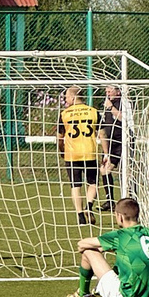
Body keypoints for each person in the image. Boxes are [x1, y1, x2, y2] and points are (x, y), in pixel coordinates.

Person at [70, 195, 149, 297]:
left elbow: (81, 244)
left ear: (120, 217)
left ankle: (82, 294)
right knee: (126, 259)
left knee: (88, 252)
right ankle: (99, 292)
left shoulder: (121, 235)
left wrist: (95, 248)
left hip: (127, 296)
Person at [57, 85, 103, 228]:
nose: (65, 99)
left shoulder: (64, 114)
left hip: (72, 154)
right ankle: (89, 206)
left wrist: (61, 150)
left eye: (66, 97)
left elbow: (59, 137)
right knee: (93, 183)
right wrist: (106, 152)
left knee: (75, 185)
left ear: (72, 97)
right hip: (90, 152)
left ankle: (80, 216)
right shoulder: (93, 112)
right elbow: (102, 134)